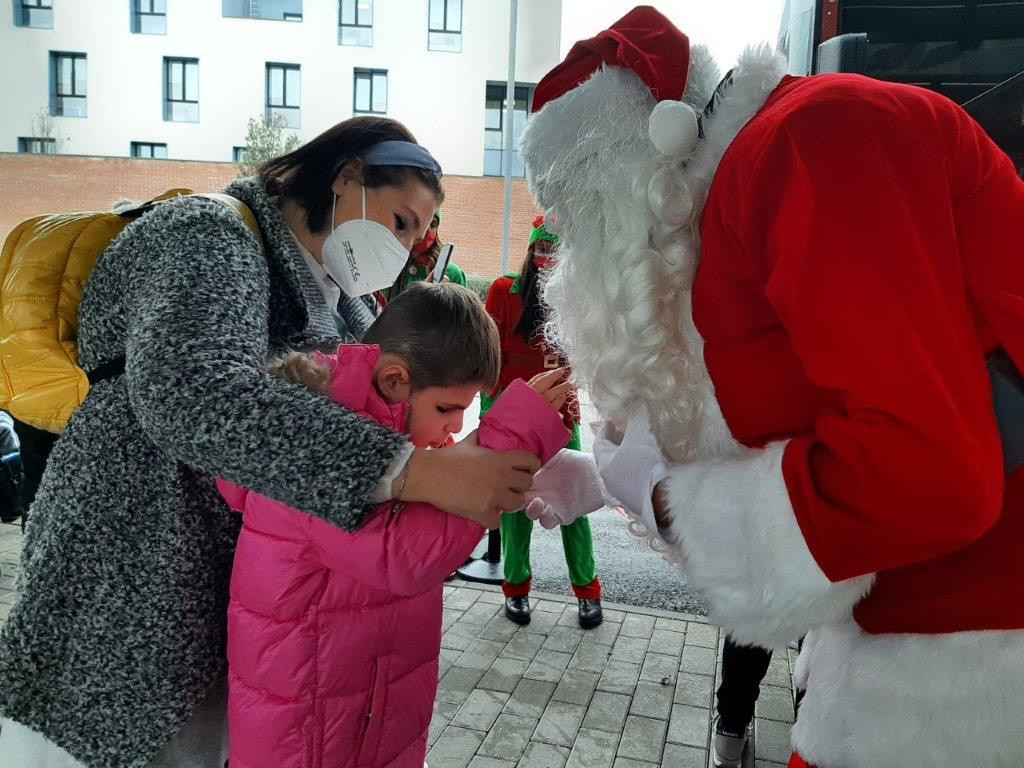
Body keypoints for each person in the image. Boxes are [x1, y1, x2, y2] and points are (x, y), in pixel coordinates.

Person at [521, 7, 1024, 768]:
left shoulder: (806, 144)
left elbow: (931, 473)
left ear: (633, 168)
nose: (574, 245)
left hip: (971, 664)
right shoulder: (733, 200)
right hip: (907, 636)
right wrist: (605, 479)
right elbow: (812, 405)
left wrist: (667, 503)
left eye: (582, 211)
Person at [0, 117, 541, 768]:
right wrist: (417, 474)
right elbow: (191, 392)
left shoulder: (345, 300)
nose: (401, 249)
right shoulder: (206, 234)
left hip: (233, 614)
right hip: (125, 584)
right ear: (347, 177)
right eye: (400, 222)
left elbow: (388, 412)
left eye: (415, 237)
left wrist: (497, 460)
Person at [220, 283, 571, 768]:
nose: (454, 427)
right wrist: (512, 438)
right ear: (394, 381)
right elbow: (403, 556)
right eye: (446, 409)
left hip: (354, 711)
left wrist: (525, 472)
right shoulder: (322, 441)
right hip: (311, 734)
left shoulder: (383, 436)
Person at [483, 216, 603, 629]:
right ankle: (515, 589)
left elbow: (581, 360)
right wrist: (492, 412)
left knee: (575, 501)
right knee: (515, 505)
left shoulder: (575, 299)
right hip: (515, 418)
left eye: (555, 251)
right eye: (542, 249)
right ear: (531, 251)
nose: (547, 258)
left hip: (561, 418)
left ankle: (588, 591)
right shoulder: (504, 292)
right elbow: (492, 356)